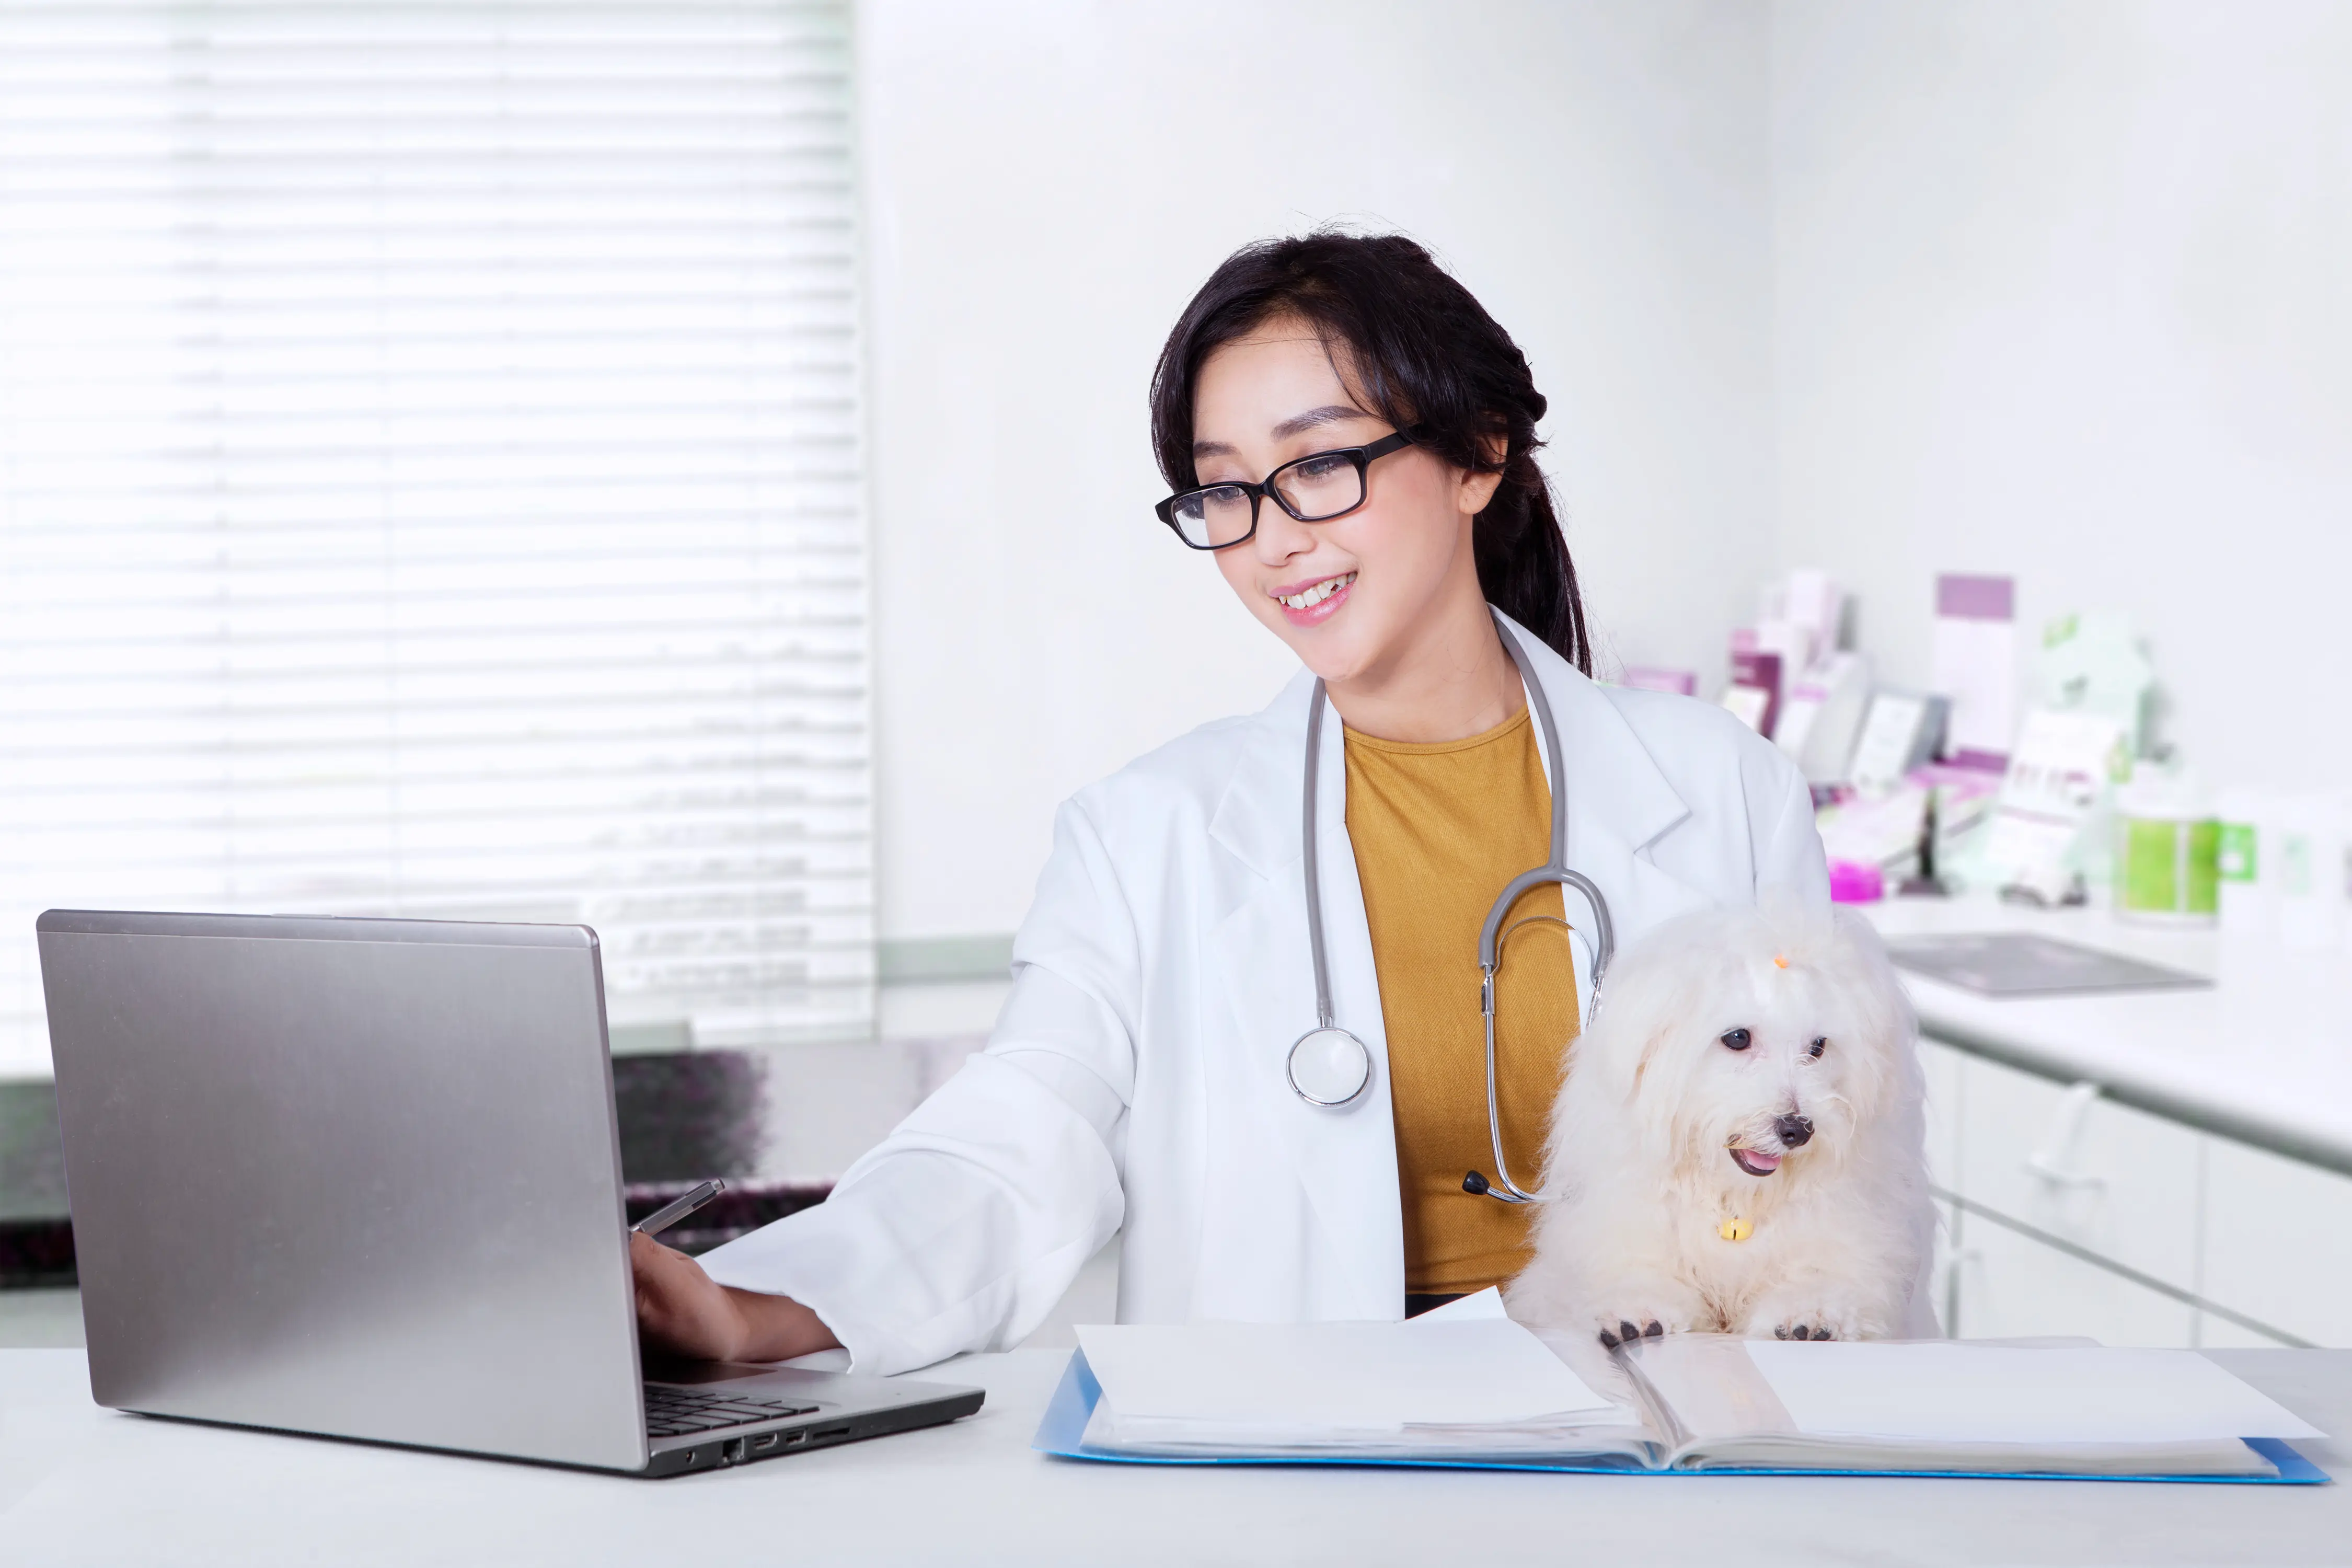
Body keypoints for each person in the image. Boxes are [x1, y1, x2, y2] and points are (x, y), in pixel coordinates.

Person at [629, 232, 1829, 1374]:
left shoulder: (1726, 794)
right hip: (1315, 1460)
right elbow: (1022, 1129)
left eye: (1317, 466)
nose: (1273, 540)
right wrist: (766, 1305)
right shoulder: (1146, 839)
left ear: (1477, 453)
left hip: (1661, 1443)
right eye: (1226, 493)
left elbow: (1839, 1186)